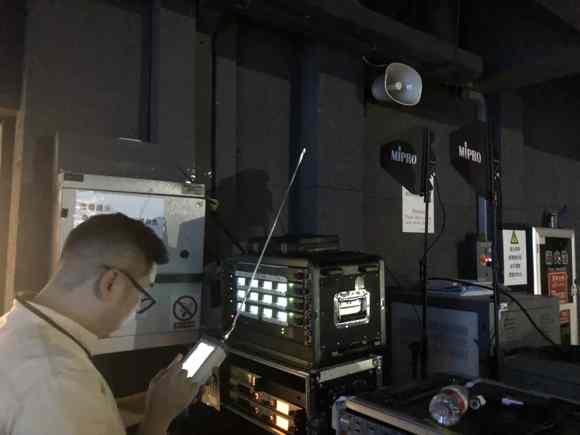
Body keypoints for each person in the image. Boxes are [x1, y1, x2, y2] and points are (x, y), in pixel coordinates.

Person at [0, 213, 199, 435]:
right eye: (142, 293)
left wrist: (156, 401)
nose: (138, 306)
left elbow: (85, 415)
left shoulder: (15, 329)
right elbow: (68, 407)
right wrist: (158, 419)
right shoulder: (58, 380)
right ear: (111, 283)